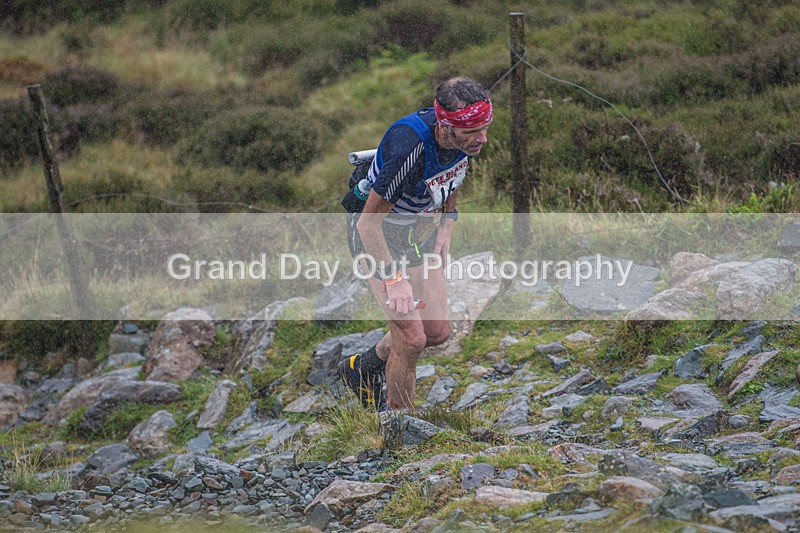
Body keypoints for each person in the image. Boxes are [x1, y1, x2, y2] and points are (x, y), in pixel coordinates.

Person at [339, 76, 492, 412]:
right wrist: (394, 278)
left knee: (436, 332)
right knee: (411, 338)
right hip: (375, 235)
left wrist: (447, 225)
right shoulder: (409, 147)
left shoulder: (463, 142)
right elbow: (367, 224)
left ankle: (362, 368)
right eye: (472, 131)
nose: (482, 138)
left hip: (415, 232)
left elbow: (453, 175)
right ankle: (399, 427)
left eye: (485, 128)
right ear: (445, 126)